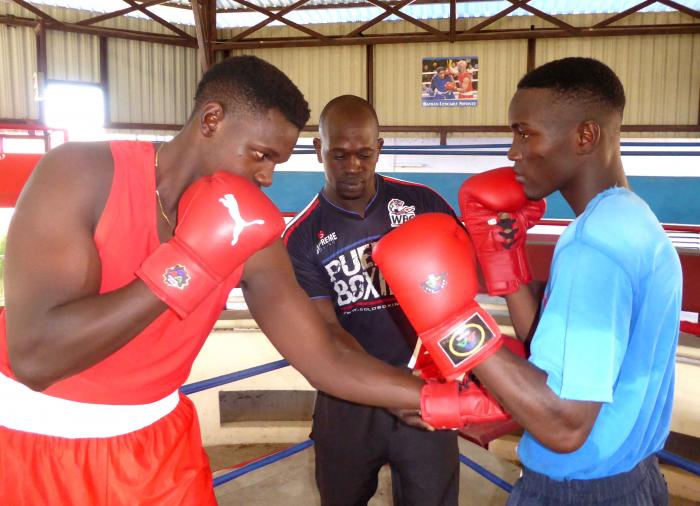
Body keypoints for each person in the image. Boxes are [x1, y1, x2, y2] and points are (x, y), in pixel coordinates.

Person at [0, 56, 482, 505]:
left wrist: (439, 398)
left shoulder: (252, 230)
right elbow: (37, 356)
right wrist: (188, 262)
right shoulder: (82, 173)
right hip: (36, 442)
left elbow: (324, 354)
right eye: (260, 155)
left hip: (158, 442)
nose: (268, 177)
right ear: (212, 120)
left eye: (277, 161)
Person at [376, 57, 682, 505]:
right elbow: (558, 358)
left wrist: (452, 321)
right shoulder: (633, 220)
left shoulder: (592, 246)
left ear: (585, 136)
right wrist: (507, 264)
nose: (513, 151)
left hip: (578, 492)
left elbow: (564, 425)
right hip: (634, 478)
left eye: (525, 132)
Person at [284, 95, 462, 506]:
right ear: (318, 150)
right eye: (339, 154)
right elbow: (325, 331)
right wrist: (388, 389)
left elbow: (458, 296)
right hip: (348, 398)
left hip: (425, 386)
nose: (352, 167)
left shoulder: (424, 206)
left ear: (379, 148)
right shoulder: (302, 237)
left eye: (364, 154)